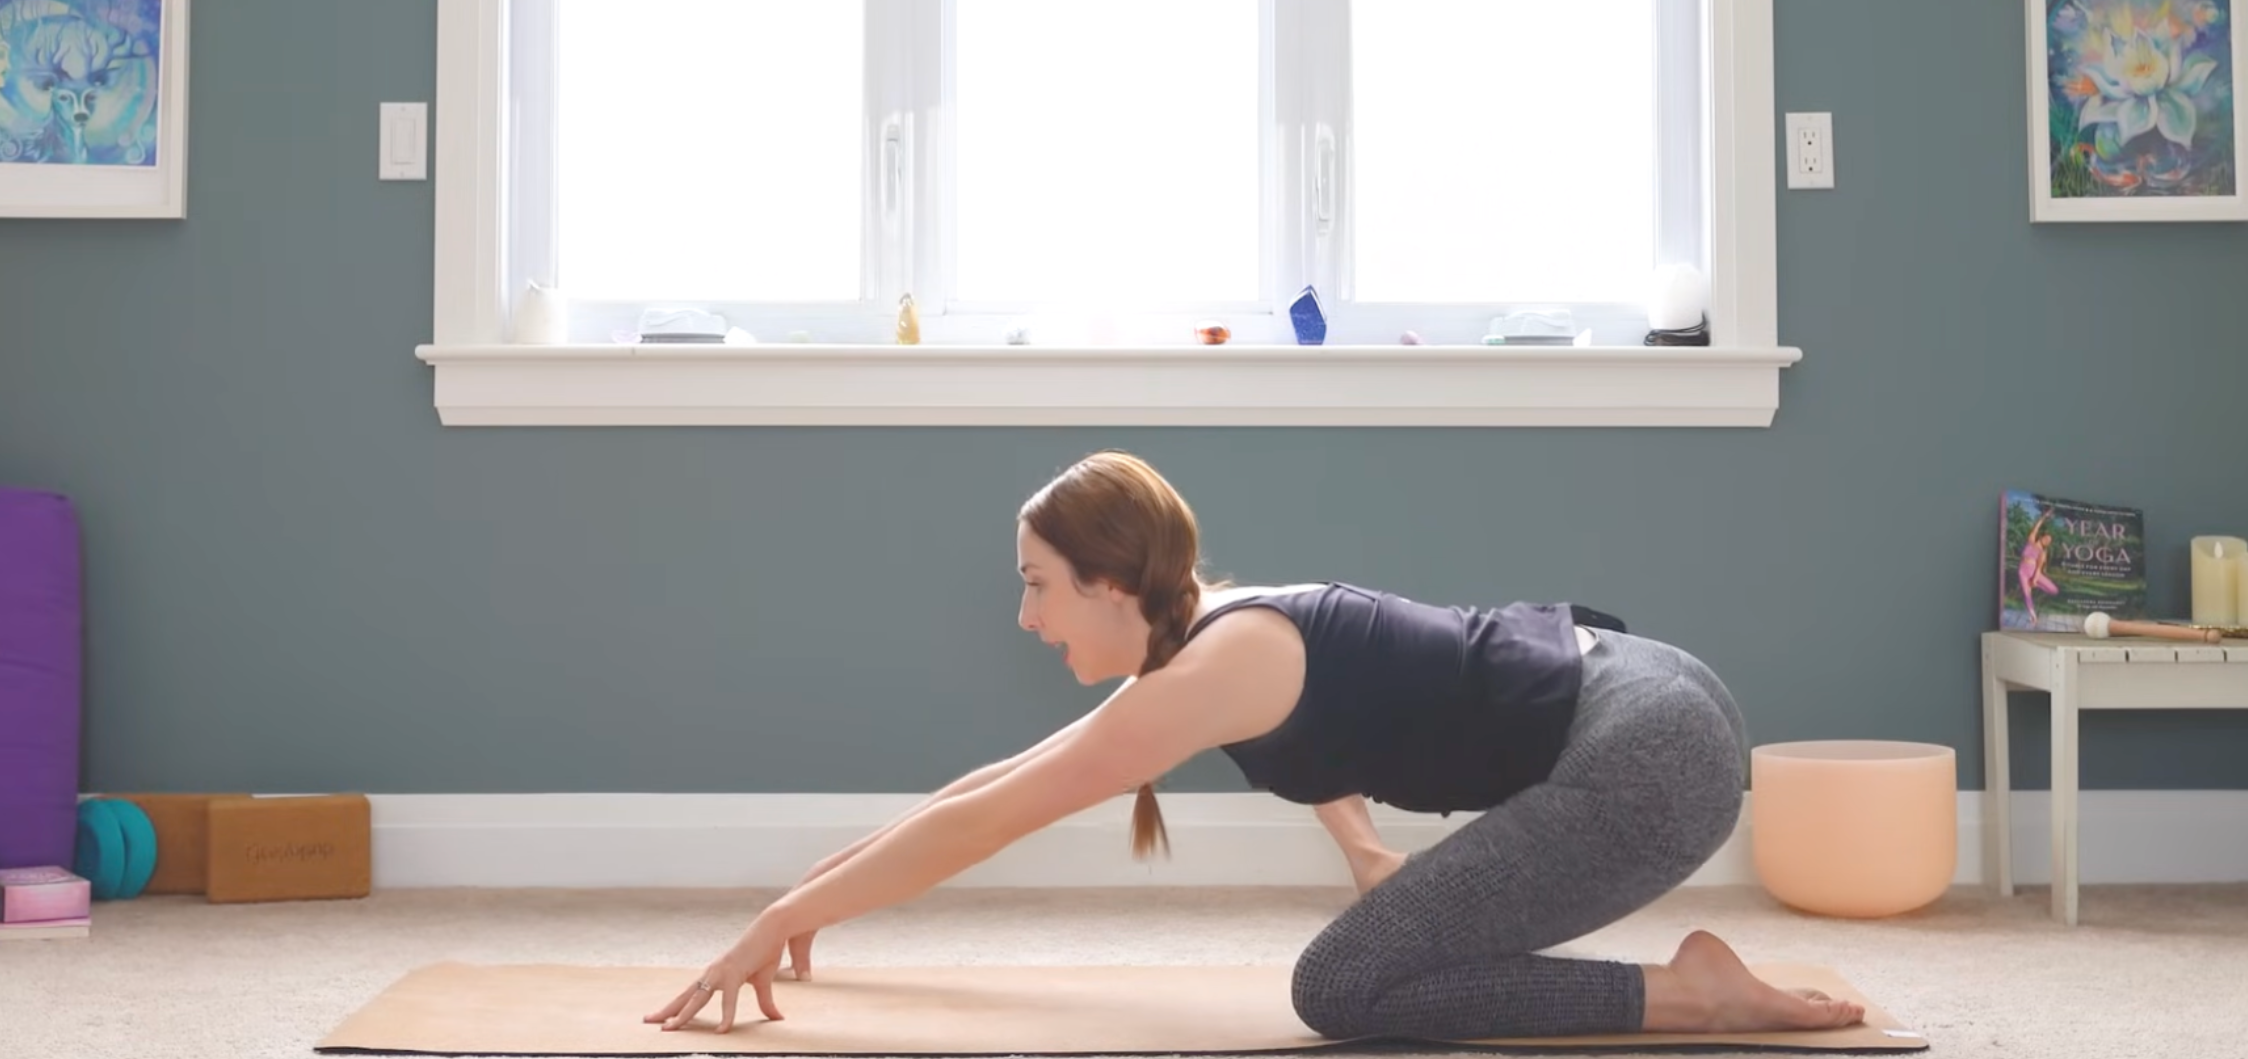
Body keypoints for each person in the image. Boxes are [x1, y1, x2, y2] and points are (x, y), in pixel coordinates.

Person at [646, 451, 1865, 1043]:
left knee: (1338, 991)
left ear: (1113, 584)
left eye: (1037, 588)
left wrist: (770, 925)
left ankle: (1691, 994)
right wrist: (809, 896)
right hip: (1644, 694)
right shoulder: (1208, 638)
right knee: (1369, 965)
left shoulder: (1209, 666)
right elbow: (1001, 783)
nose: (1025, 618)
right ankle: (1688, 982)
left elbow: (996, 818)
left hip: (1649, 755)